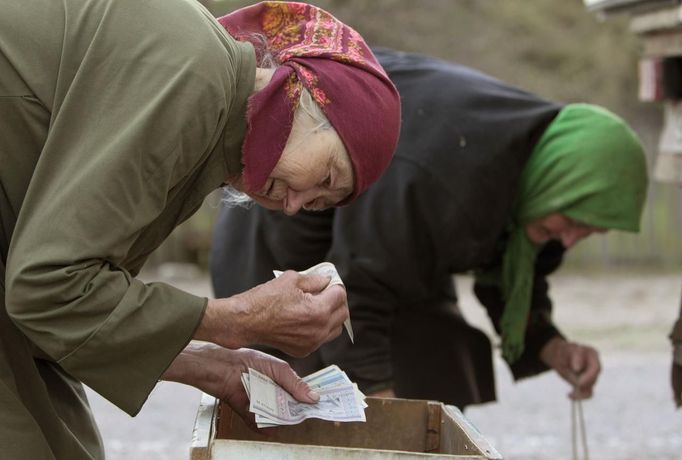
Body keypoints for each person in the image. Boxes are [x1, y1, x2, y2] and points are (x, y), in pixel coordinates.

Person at [0, 1, 400, 458]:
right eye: (325, 178)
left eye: (316, 205)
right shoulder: (195, 76)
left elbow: (54, 316)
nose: (292, 206)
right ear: (303, 93)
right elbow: (47, 289)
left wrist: (214, 367)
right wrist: (237, 320)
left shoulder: (206, 129)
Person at [211, 47, 649, 410]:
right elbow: (360, 287)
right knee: (309, 405)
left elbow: (512, 264)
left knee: (444, 363)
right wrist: (382, 405)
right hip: (284, 231)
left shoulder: (534, 178)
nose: (570, 238)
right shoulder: (446, 176)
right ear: (560, 181)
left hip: (383, 245)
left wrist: (549, 342)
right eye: (572, 223)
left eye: (586, 233)